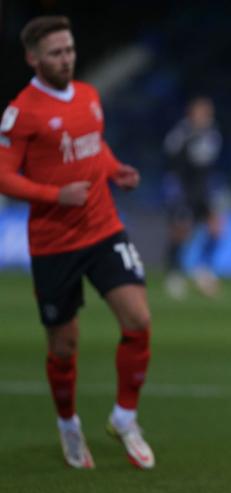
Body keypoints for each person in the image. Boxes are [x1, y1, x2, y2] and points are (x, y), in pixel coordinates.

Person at [0, 16, 155, 469]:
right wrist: (55, 195)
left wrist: (114, 168)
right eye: (56, 53)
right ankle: (68, 425)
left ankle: (125, 418)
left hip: (103, 228)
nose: (66, 59)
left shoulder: (89, 96)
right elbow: (3, 175)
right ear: (33, 58)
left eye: (69, 50)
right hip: (53, 242)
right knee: (63, 347)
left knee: (139, 319)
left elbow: (95, 144)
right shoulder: (20, 112)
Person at [163, 96, 223, 299]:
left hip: (204, 191)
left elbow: (209, 165)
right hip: (184, 190)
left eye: (208, 113)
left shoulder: (213, 134)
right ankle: (174, 274)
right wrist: (175, 191)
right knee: (181, 232)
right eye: (202, 112)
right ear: (192, 114)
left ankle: (203, 268)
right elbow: (171, 162)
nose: (206, 116)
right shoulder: (181, 134)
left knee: (216, 228)